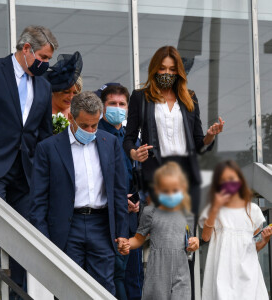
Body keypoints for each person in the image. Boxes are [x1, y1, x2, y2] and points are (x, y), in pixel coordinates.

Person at [0, 25, 58, 299]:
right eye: (42, 58)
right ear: (26, 49)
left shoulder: (44, 86)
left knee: (27, 231)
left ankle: (19, 291)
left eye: (48, 60)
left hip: (25, 171)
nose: (45, 64)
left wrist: (47, 173)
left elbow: (44, 134)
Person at [29, 91, 129, 296]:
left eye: (95, 125)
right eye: (84, 126)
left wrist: (121, 231)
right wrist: (44, 239)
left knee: (103, 288)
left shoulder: (110, 143)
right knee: (67, 286)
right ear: (70, 119)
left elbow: (119, 190)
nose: (90, 130)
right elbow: (38, 200)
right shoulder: (47, 148)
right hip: (66, 227)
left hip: (102, 226)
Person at [123, 45, 225, 214]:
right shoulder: (140, 97)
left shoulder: (189, 98)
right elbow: (128, 138)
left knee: (184, 232)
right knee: (156, 227)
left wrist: (210, 136)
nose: (167, 73)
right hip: (154, 175)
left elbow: (199, 144)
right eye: (162, 68)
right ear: (154, 69)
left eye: (172, 69)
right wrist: (135, 154)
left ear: (178, 72)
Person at [118, 162, 199, 300]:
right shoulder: (150, 212)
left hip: (181, 270)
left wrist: (195, 242)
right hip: (157, 271)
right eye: (165, 191)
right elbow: (138, 239)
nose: (171, 195)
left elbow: (192, 240)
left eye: (175, 190)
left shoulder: (187, 214)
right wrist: (127, 243)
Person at [199, 160, 271, 300]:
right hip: (222, 271)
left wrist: (265, 239)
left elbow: (254, 246)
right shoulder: (212, 208)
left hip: (248, 271)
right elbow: (205, 237)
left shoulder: (253, 210)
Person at [97, 83, 143, 300]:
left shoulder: (132, 139)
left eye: (122, 104)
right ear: (103, 107)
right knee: (114, 275)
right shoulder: (94, 135)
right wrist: (117, 200)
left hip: (133, 218)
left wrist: (138, 200)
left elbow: (143, 178)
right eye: (112, 103)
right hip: (107, 220)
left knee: (134, 275)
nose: (117, 107)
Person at [44, 52, 83, 118]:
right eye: (66, 92)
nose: (71, 97)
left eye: (75, 93)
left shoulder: (79, 112)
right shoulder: (41, 113)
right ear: (54, 91)